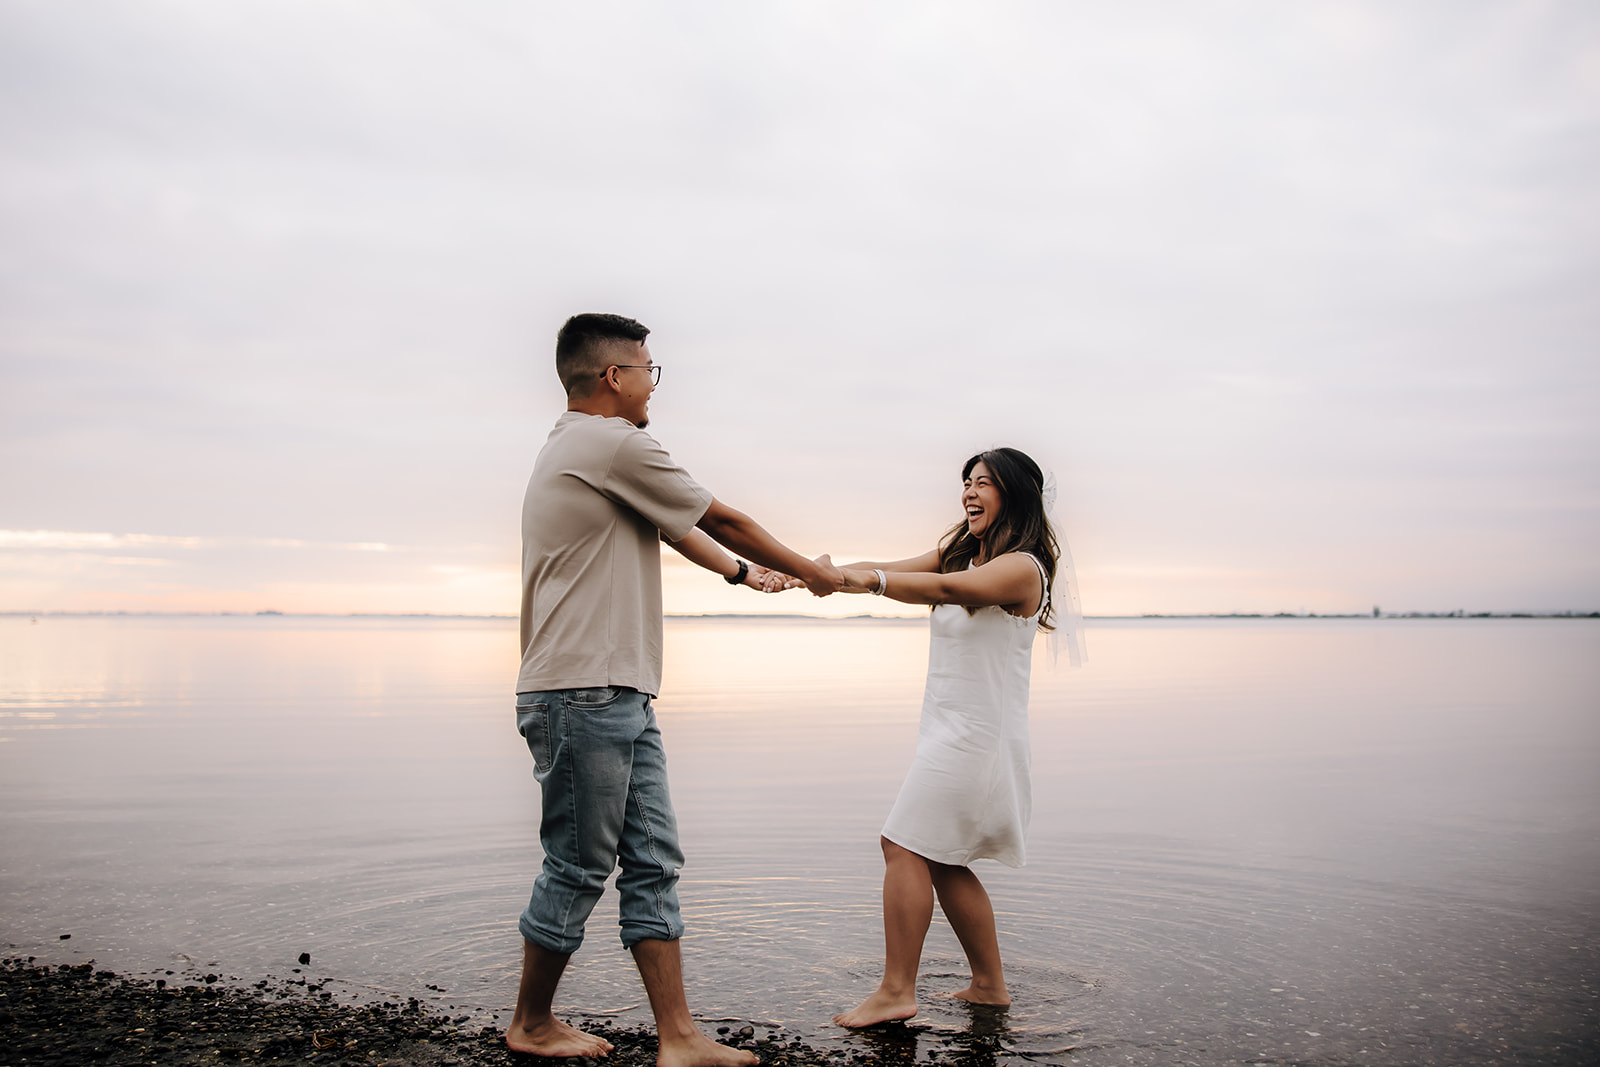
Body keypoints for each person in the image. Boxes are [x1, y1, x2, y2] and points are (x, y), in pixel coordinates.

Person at [509, 313, 841, 1065]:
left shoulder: (579, 449)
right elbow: (721, 514)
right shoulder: (611, 442)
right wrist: (814, 571)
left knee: (654, 859)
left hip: (615, 689)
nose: (652, 382)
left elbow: (677, 527)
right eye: (647, 368)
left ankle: (679, 1035)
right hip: (582, 691)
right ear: (612, 378)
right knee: (578, 862)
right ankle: (530, 1022)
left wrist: (743, 573)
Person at [829, 447, 1081, 1028]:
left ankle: (897, 990)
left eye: (983, 483)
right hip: (948, 731)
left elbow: (941, 590)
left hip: (979, 741)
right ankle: (989, 986)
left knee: (902, 844)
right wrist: (819, 575)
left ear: (1013, 494)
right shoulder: (960, 552)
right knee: (940, 861)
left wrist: (859, 583)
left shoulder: (1023, 567)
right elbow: (895, 566)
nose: (969, 492)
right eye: (965, 482)